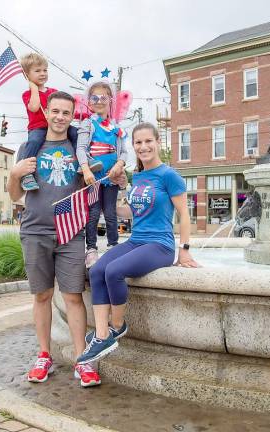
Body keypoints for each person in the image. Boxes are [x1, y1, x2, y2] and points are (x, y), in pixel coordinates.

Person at [77, 122, 198, 366]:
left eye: (148, 141)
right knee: (98, 269)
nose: (143, 147)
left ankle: (117, 327)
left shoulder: (169, 175)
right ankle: (102, 336)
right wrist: (107, 203)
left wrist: (184, 251)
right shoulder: (139, 176)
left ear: (158, 142)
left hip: (160, 246)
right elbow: (132, 212)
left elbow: (184, 214)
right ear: (133, 146)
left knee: (114, 271)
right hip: (136, 240)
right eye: (138, 143)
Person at [7, 91, 101, 388]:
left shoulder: (79, 148)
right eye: (56, 111)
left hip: (70, 231)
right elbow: (15, 195)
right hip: (35, 230)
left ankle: (82, 360)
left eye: (66, 113)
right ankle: (44, 354)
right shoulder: (29, 147)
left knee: (73, 296)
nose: (60, 117)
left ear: (73, 116)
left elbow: (93, 186)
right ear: (46, 113)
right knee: (42, 296)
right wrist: (13, 174)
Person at [76, 81, 128, 269]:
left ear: (110, 100)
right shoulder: (88, 124)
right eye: (94, 98)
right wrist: (87, 169)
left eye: (103, 97)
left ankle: (113, 246)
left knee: (111, 212)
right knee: (94, 212)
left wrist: (120, 165)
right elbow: (81, 148)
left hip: (111, 177)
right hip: (93, 177)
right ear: (89, 101)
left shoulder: (116, 127)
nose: (99, 101)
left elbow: (124, 152)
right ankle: (91, 249)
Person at [19, 53, 85, 191]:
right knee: (34, 142)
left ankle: (82, 162)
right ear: (27, 75)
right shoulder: (28, 94)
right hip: (38, 128)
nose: (42, 73)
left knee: (76, 133)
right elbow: (34, 107)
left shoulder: (53, 92)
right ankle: (26, 174)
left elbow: (62, 106)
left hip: (55, 126)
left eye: (45, 70)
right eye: (37, 71)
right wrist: (33, 88)